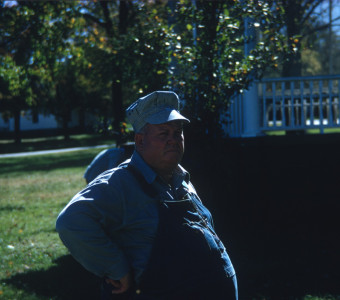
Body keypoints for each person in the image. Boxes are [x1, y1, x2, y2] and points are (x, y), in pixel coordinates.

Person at [56, 91, 238, 300]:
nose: (173, 140)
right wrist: (116, 268)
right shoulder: (121, 182)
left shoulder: (181, 178)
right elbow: (70, 222)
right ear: (140, 141)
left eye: (177, 132)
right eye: (163, 133)